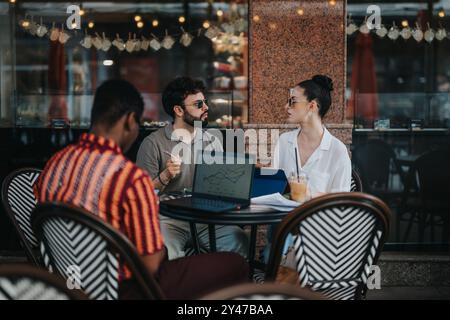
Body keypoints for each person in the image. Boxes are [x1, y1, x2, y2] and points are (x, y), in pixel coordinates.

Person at [34, 79, 249, 299]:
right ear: (129, 121)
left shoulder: (53, 165)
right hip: (125, 289)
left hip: (68, 283)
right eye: (138, 123)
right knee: (235, 264)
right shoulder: (129, 177)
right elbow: (151, 262)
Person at [136, 76, 249, 260]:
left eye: (205, 102)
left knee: (239, 240)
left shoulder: (213, 140)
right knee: (163, 252)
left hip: (206, 217)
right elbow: (141, 195)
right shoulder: (152, 143)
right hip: (169, 219)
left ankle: (232, 288)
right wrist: (165, 176)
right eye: (198, 104)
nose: (206, 108)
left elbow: (221, 185)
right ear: (178, 110)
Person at [262, 75, 352, 263]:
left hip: (321, 231)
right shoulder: (284, 142)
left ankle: (282, 275)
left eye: (292, 102)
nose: (286, 107)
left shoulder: (337, 150)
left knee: (280, 254)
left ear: (312, 106)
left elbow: (342, 203)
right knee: (280, 245)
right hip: (283, 226)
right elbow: (273, 190)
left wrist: (308, 195)